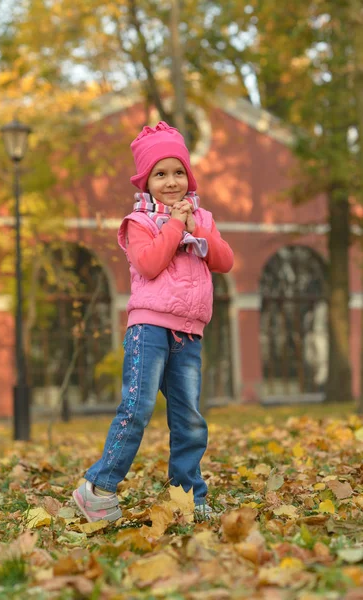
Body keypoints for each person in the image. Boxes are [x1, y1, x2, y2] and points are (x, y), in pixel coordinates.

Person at [73, 121, 234, 522]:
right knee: (138, 406)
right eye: (160, 174)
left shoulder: (204, 220)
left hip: (189, 332)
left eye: (178, 172)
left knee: (189, 418)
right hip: (149, 329)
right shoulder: (139, 223)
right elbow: (148, 264)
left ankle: (189, 498)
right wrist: (176, 225)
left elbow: (225, 261)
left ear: (189, 176)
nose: (171, 181)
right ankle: (98, 487)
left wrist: (198, 228)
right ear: (146, 183)